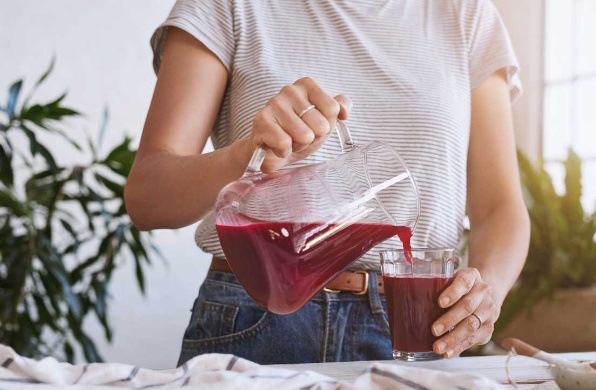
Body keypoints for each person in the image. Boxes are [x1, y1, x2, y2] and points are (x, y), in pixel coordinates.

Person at [125, 0, 530, 365]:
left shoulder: (466, 14)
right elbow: (147, 198)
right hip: (253, 316)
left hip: (417, 322)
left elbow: (500, 208)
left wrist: (484, 292)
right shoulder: (227, 5)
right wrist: (248, 152)